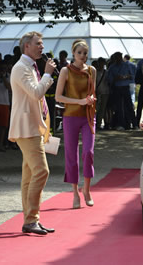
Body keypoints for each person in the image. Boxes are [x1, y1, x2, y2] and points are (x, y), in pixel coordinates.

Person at [8, 31, 57, 235]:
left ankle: (30, 219)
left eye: (42, 43)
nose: (42, 46)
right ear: (26, 46)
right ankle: (31, 219)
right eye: (38, 43)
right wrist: (47, 74)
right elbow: (36, 93)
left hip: (32, 126)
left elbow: (37, 97)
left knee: (29, 176)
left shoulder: (28, 66)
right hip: (26, 128)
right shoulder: (21, 68)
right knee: (41, 171)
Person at [55, 39, 97, 209]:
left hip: (88, 115)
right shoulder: (66, 71)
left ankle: (86, 189)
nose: (82, 56)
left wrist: (91, 99)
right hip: (71, 116)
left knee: (88, 152)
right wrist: (78, 102)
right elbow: (58, 97)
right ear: (73, 53)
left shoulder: (92, 70)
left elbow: (93, 93)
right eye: (79, 53)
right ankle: (74, 193)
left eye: (85, 53)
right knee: (71, 155)